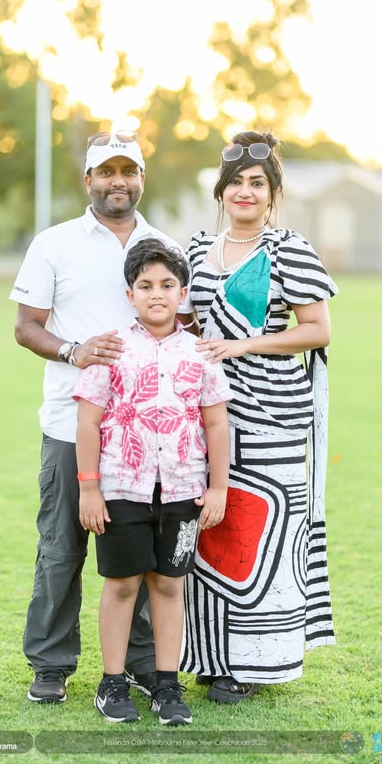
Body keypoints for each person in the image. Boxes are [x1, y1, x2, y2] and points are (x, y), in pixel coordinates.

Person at [9, 132, 193, 703]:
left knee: (141, 555)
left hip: (149, 440)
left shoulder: (164, 243)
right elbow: (26, 326)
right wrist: (73, 350)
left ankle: (141, 663)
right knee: (63, 548)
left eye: (128, 171)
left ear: (142, 178)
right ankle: (51, 663)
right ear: (88, 181)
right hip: (74, 426)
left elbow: (180, 326)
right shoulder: (55, 243)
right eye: (106, 172)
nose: (118, 181)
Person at [180, 130, 338, 703]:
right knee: (209, 528)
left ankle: (253, 664)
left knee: (259, 528)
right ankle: (209, 655)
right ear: (220, 192)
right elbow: (188, 325)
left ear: (272, 195)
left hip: (272, 414)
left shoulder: (289, 249)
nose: (245, 193)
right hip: (205, 414)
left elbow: (318, 329)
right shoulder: (196, 251)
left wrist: (244, 346)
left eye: (257, 184)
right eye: (236, 184)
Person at [72, 239, 231, 725]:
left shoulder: (200, 353)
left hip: (183, 491)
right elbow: (87, 422)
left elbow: (217, 424)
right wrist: (89, 487)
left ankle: (167, 684)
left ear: (182, 292)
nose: (156, 294)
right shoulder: (112, 348)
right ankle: (112, 682)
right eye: (145, 286)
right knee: (121, 585)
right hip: (123, 489)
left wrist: (219, 487)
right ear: (130, 294)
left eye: (167, 285)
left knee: (168, 584)